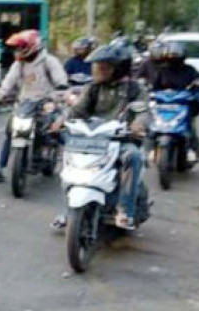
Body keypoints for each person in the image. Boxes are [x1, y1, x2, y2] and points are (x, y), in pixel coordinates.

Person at [50, 42, 149, 230]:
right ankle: (68, 209)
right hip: (93, 139)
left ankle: (124, 210)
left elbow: (143, 110)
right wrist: (61, 120)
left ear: (118, 68)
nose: (97, 70)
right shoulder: (92, 88)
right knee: (70, 160)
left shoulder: (134, 89)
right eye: (97, 66)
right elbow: (78, 110)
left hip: (121, 140)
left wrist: (138, 123)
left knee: (133, 156)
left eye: (103, 66)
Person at [0, 30, 68, 183]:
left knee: (56, 130)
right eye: (17, 48)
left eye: (22, 47)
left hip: (47, 102)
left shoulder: (48, 61)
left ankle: (75, 160)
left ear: (33, 46)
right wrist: (1, 93)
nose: (18, 50)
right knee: (12, 131)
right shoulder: (19, 63)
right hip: (25, 103)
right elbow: (10, 80)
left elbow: (60, 79)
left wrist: (62, 90)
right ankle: (0, 167)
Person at [152, 41, 199, 161]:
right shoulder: (161, 70)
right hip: (164, 105)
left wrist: (197, 86)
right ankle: (151, 150)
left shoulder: (190, 70)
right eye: (171, 57)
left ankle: (192, 149)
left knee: (190, 127)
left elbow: (198, 83)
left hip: (183, 104)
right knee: (151, 126)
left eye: (176, 57)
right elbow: (154, 86)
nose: (173, 60)